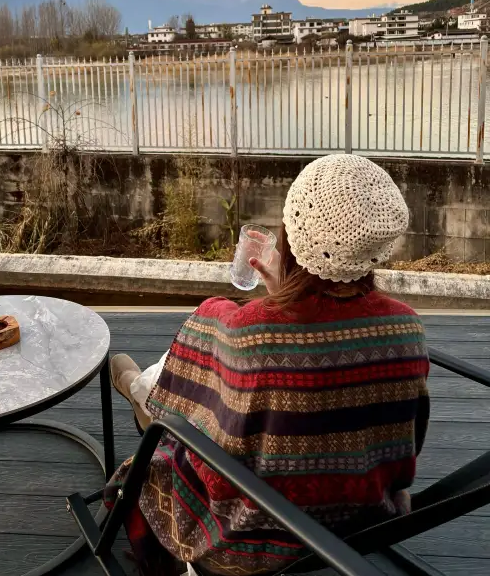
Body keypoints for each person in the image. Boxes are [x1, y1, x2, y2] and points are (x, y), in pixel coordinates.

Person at [106, 154, 430, 576]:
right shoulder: (407, 326)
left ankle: (134, 390)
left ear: (292, 236)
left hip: (244, 541)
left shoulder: (247, 329)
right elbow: (409, 434)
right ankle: (136, 388)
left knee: (167, 403)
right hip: (361, 522)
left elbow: (198, 357)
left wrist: (276, 300)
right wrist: (286, 295)